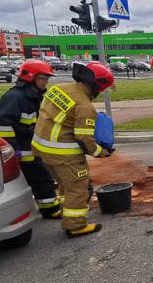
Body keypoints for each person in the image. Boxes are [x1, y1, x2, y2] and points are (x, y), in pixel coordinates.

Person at [32, 62, 114, 238]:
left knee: (65, 184)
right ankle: (76, 225)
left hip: (42, 148)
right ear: (96, 86)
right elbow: (84, 139)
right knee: (77, 187)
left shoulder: (58, 88)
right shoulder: (84, 106)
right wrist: (101, 152)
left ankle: (66, 212)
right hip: (64, 154)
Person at [0, 60, 60, 218]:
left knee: (40, 179)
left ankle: (48, 207)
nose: (46, 81)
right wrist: (14, 150)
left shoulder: (35, 96)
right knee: (41, 179)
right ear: (31, 77)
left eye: (47, 78)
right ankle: (49, 210)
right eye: (43, 78)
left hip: (33, 147)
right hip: (22, 150)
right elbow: (1, 126)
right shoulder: (15, 97)